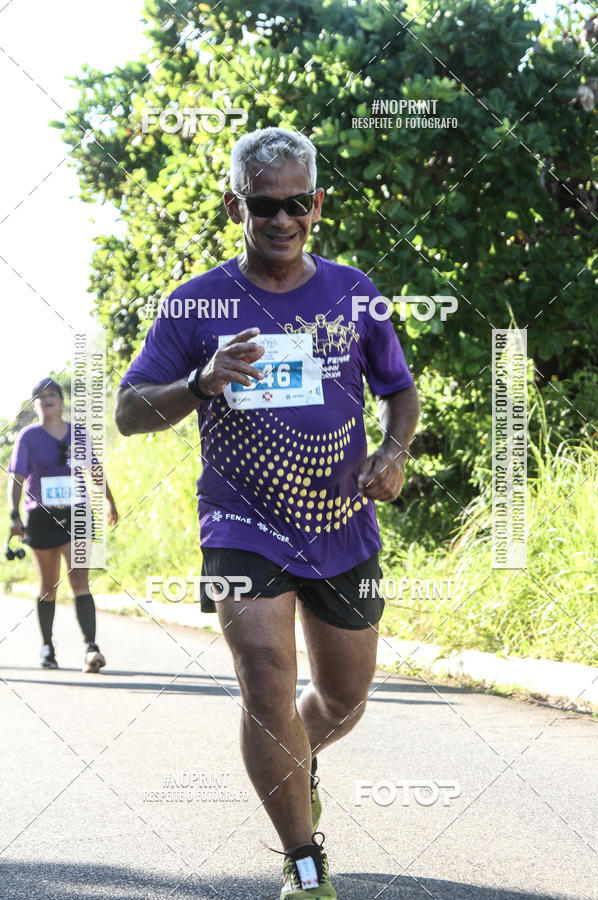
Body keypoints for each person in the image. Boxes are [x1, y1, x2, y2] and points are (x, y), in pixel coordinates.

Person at [115, 127, 419, 899]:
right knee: (265, 684)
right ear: (235, 205)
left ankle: (294, 759)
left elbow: (400, 390)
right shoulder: (197, 303)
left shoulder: (355, 291)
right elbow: (127, 411)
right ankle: (304, 862)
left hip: (340, 524)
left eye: (295, 204)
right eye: (263, 205)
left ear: (316, 204)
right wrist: (202, 381)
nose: (281, 220)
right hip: (241, 526)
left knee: (343, 697)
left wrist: (393, 452)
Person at [7, 378, 118, 672]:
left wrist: (109, 500)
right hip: (41, 516)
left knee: (80, 580)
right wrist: (13, 515)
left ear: (61, 400)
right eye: (40, 396)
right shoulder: (27, 437)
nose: (47, 399)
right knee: (48, 586)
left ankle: (91, 648)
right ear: (34, 405)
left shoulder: (78, 434)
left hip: (77, 513)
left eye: (52, 394)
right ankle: (48, 647)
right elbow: (16, 479)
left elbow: (95, 470)